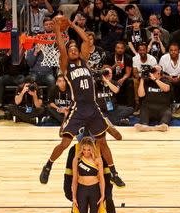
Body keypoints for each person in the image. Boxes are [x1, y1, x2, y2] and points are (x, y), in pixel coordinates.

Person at [39, 17, 125, 188]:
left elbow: (86, 39)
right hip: (78, 108)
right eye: (70, 49)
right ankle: (48, 166)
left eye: (74, 48)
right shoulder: (66, 66)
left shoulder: (84, 61)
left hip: (93, 108)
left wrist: (71, 24)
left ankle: (114, 173)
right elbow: (61, 47)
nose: (72, 50)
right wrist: (58, 29)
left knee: (102, 142)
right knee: (64, 143)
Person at [64, 134, 121, 213]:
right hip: (81, 186)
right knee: (76, 206)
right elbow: (69, 171)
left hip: (99, 183)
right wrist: (68, 187)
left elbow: (106, 170)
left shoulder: (101, 148)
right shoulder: (74, 150)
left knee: (107, 203)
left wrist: (106, 190)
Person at [71, 136, 105, 213]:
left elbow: (101, 179)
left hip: (94, 190)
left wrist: (103, 194)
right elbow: (74, 179)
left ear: (92, 149)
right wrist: (74, 196)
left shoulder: (98, 160)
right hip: (81, 190)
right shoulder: (77, 159)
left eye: (88, 150)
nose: (86, 152)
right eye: (84, 149)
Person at [134, 65, 172, 132]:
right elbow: (141, 95)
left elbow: (166, 89)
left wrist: (155, 79)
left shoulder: (165, 80)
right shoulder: (147, 81)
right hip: (148, 107)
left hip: (162, 108)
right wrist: (142, 79)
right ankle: (144, 125)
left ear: (159, 73)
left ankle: (162, 125)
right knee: (143, 109)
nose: (151, 72)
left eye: (154, 71)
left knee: (167, 112)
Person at [159, 42, 180, 114]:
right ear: (169, 51)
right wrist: (168, 77)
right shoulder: (163, 58)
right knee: (162, 81)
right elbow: (160, 73)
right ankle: (169, 105)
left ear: (179, 51)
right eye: (171, 50)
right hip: (167, 77)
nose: (173, 52)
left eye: (175, 50)